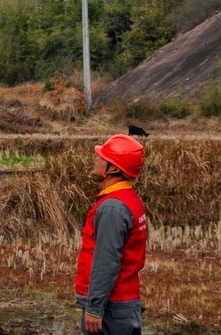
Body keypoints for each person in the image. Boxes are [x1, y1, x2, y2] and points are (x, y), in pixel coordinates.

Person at [75, 134, 148, 335]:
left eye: (102, 157)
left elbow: (106, 262)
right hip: (121, 305)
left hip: (110, 310)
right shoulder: (129, 200)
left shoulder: (112, 208)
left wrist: (94, 309)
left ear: (114, 168)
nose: (96, 158)